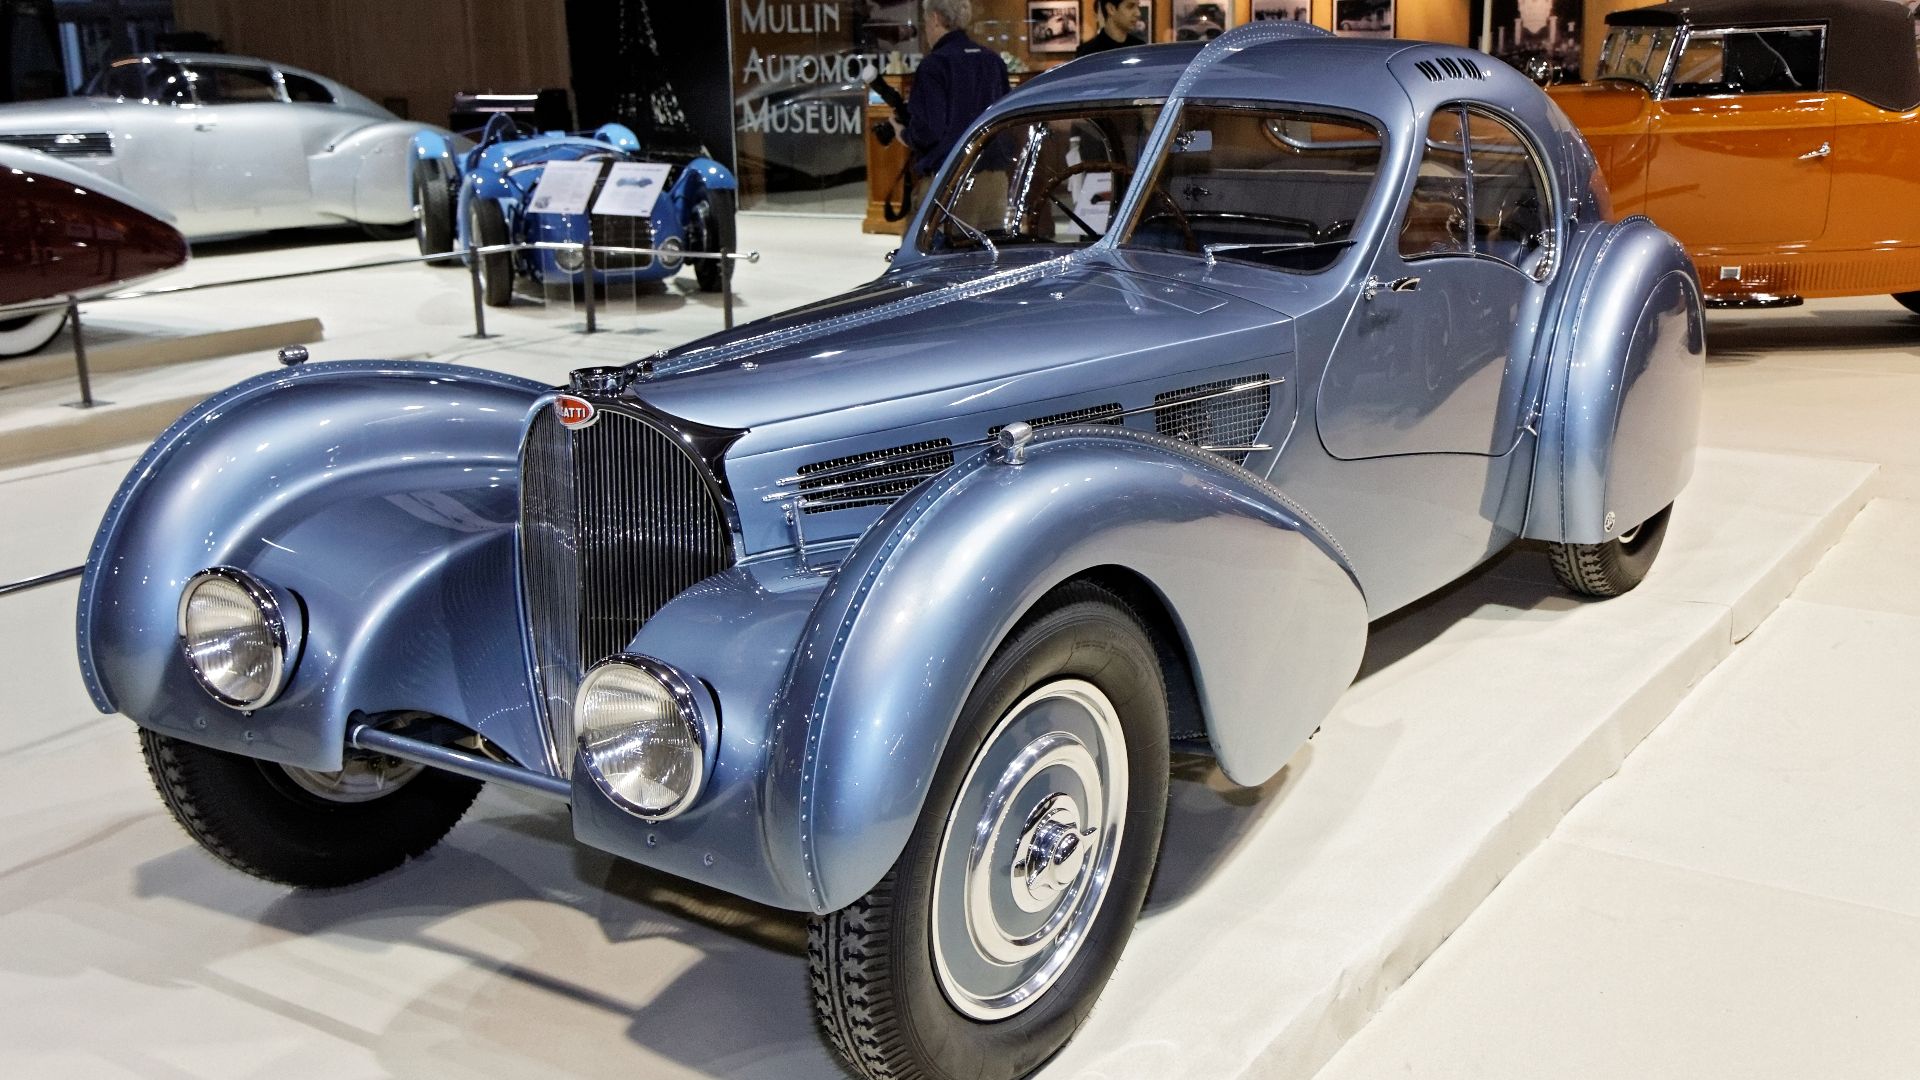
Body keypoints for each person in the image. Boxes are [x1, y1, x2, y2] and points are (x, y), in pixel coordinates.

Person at [903, 0, 1010, 184]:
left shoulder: (934, 65)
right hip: (994, 176)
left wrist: (904, 133)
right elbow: (1007, 119)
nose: (926, 29)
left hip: (950, 181)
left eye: (926, 21)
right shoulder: (993, 61)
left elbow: (928, 131)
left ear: (935, 18)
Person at [1076, 0, 1146, 57]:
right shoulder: (1087, 53)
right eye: (1130, 6)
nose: (1138, 13)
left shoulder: (1140, 48)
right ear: (1111, 9)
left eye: (1138, 6)